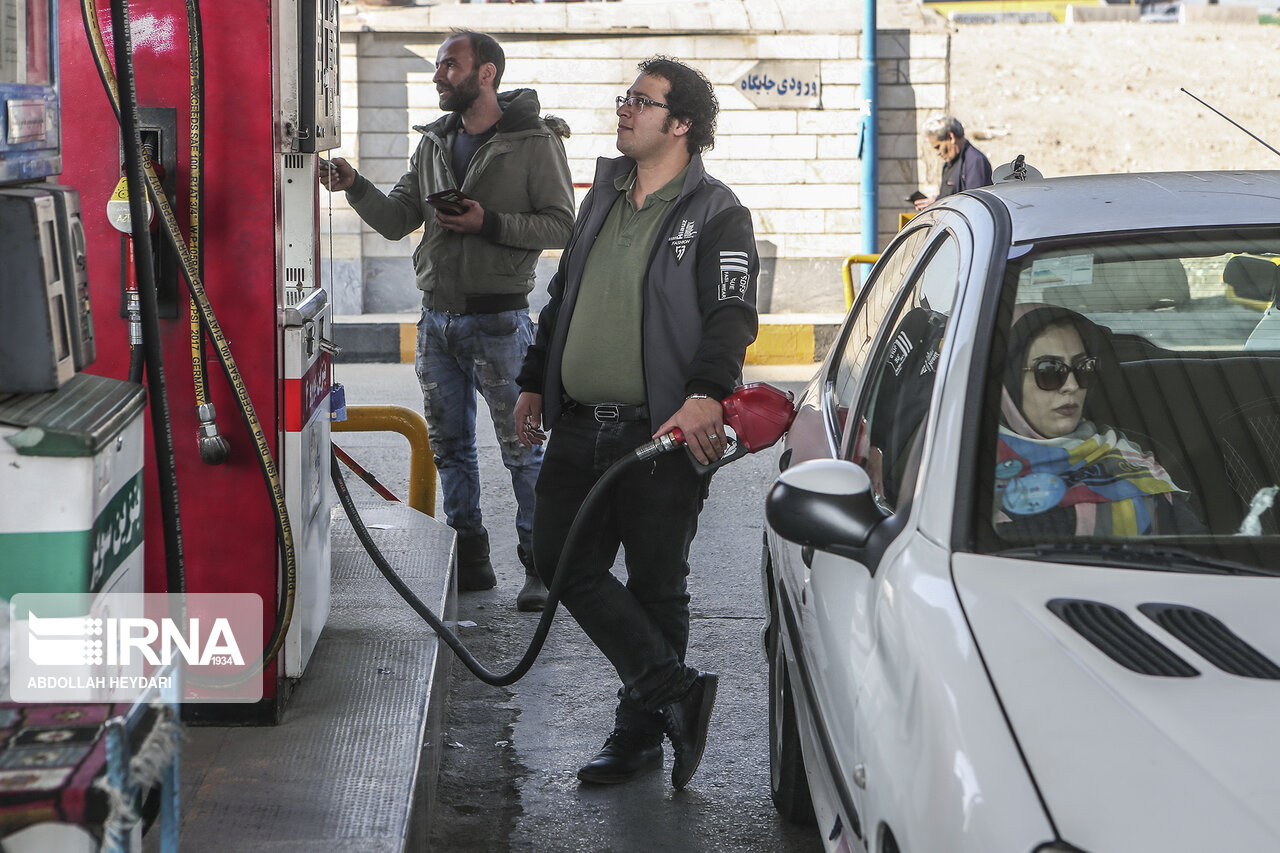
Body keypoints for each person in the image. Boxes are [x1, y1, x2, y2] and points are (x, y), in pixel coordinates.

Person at [513, 57, 758, 790]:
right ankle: (671, 688)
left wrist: (707, 393)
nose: (625, 109)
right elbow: (563, 296)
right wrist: (533, 382)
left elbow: (731, 315)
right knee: (559, 560)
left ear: (680, 124)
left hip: (661, 434)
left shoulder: (718, 213)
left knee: (656, 583)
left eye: (642, 102)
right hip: (578, 423)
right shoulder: (603, 196)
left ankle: (638, 736)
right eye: (626, 98)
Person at [320, 30, 574, 611]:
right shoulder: (434, 143)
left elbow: (563, 225)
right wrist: (355, 185)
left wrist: (489, 222)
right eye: (439, 65)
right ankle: (471, 559)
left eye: (450, 65)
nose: (439, 76)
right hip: (437, 322)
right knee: (450, 449)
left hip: (500, 323)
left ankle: (540, 568)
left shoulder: (534, 142)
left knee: (523, 452)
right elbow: (397, 219)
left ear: (486, 73)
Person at [994, 305, 1203, 537]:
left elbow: (1193, 545)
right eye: (1049, 371)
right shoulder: (972, 469)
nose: (1072, 385)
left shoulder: (1129, 457)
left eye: (1084, 368)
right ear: (1008, 381)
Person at [913, 114, 993, 211]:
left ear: (951, 137)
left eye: (938, 147)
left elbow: (974, 204)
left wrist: (939, 203)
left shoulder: (975, 161)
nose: (938, 153)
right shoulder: (949, 164)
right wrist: (936, 202)